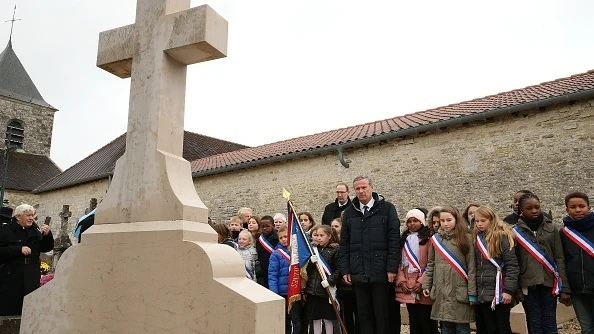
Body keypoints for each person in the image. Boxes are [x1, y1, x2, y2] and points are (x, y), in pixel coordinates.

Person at [339, 176, 400, 334]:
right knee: (364, 315)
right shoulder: (350, 213)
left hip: (381, 272)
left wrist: (392, 268)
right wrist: (346, 269)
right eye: (357, 189)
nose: (361, 191)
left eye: (364, 187)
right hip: (359, 272)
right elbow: (344, 244)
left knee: (382, 314)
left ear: (371, 187)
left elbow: (394, 240)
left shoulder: (387, 209)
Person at [513, 193, 570, 334]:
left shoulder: (551, 228)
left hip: (549, 281)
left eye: (537, 207)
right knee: (534, 322)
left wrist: (565, 287)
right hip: (528, 282)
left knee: (550, 321)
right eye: (529, 208)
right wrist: (517, 288)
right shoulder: (514, 232)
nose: (534, 211)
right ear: (521, 210)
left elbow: (559, 258)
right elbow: (514, 262)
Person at [422, 206, 476, 334]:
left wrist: (472, 293)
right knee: (446, 328)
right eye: (442, 220)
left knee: (462, 328)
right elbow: (431, 264)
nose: (445, 224)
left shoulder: (466, 238)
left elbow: (472, 267)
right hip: (441, 290)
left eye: (449, 220)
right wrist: (427, 284)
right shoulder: (436, 240)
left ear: (456, 219)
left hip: (460, 290)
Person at [0, 204, 54, 316]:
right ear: (18, 217)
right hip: (12, 275)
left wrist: (48, 235)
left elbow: (46, 247)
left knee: (29, 307)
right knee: (11, 307)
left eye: (32, 215)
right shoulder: (6, 230)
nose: (31, 218)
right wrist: (18, 250)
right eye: (27, 215)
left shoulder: (36, 230)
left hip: (31, 274)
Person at [473, 206, 519, 334]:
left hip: (499, 290)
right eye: (477, 221)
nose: (480, 224)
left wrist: (508, 290)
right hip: (482, 290)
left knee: (502, 327)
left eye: (483, 221)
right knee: (487, 327)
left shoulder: (502, 237)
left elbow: (512, 265)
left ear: (492, 220)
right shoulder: (475, 238)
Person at [395, 209, 437, 334]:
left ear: (422, 222)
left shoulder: (429, 240)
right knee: (413, 319)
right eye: (409, 221)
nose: (412, 224)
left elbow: (432, 263)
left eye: (415, 221)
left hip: (423, 285)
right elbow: (399, 264)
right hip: (408, 284)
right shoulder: (403, 240)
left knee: (426, 320)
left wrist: (422, 282)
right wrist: (401, 282)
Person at [559, 192, 594, 334]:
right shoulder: (563, 233)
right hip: (577, 288)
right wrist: (565, 288)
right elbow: (561, 261)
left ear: (589, 207)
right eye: (573, 207)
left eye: (582, 206)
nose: (578, 210)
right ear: (567, 209)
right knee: (587, 328)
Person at [305, 225, 340, 334]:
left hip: (326, 290)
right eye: (316, 235)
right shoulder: (313, 250)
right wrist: (310, 262)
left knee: (327, 318)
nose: (318, 238)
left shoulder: (335, 250)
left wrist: (330, 281)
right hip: (313, 290)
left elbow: (339, 269)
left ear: (329, 236)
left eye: (322, 235)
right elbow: (307, 270)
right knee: (315, 318)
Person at [268, 226, 302, 334]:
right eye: (281, 237)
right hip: (283, 292)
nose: (283, 239)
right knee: (285, 320)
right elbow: (272, 275)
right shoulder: (276, 254)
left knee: (297, 319)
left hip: (296, 290)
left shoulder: (298, 253)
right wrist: (274, 293)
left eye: (286, 237)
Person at [256, 215, 278, 288]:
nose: (265, 228)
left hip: (275, 271)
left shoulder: (277, 239)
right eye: (262, 226)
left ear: (273, 226)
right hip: (263, 272)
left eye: (267, 226)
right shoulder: (259, 240)